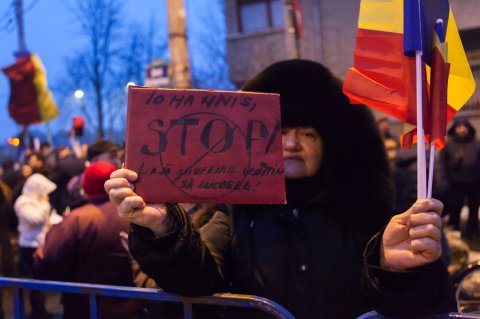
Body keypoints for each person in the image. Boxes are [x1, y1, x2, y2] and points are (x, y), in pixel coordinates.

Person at [105, 59, 454, 318]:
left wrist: (396, 271)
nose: (291, 144)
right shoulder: (238, 211)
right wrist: (165, 230)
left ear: (327, 143)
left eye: (306, 133)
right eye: (280, 133)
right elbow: (200, 277)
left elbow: (410, 304)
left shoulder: (366, 213)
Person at [33, 162, 139, 319]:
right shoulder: (136, 212)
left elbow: (46, 263)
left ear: (85, 185)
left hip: (86, 307)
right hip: (133, 307)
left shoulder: (76, 219)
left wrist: (39, 251)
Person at [14, 173, 57, 319]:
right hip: (29, 247)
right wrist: (45, 204)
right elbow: (36, 219)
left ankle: (41, 312)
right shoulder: (23, 202)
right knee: (35, 283)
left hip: (38, 245)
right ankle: (38, 314)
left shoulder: (34, 200)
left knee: (40, 282)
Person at [442, 119, 480, 242]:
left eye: (464, 126)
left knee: (473, 209)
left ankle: (472, 232)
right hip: (456, 184)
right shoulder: (449, 145)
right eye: (459, 126)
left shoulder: (476, 143)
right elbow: (443, 165)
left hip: (474, 182)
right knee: (455, 208)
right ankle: (455, 232)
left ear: (469, 128)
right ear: (454, 129)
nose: (462, 129)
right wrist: (455, 161)